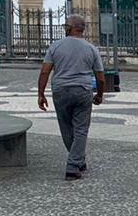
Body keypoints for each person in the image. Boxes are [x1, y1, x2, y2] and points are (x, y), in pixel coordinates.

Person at [36, 14, 104, 181]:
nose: (64, 28)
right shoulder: (91, 49)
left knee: (66, 128)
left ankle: (76, 163)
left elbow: (45, 71)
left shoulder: (55, 46)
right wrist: (100, 95)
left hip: (60, 90)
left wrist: (41, 94)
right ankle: (75, 164)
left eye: (66, 25)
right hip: (83, 90)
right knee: (81, 129)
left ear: (72, 28)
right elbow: (100, 77)